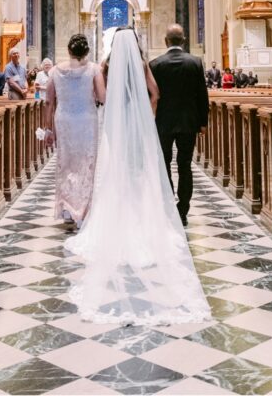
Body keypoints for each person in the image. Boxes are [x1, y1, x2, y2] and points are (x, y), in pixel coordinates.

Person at [66, 26, 210, 326]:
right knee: (141, 172)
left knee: (117, 173)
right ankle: (147, 222)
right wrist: (148, 115)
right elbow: (155, 93)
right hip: (139, 126)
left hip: (116, 128)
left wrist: (116, 113)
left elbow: (104, 98)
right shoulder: (145, 64)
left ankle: (118, 221)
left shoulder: (106, 65)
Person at [149, 24, 210, 227]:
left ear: (166, 41)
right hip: (188, 122)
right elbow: (202, 94)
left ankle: (168, 204)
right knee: (185, 166)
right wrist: (203, 122)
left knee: (164, 164)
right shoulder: (195, 62)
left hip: (163, 123)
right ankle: (183, 209)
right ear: (183, 41)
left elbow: (151, 96)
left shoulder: (155, 64)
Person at [45, 35, 105, 227]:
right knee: (86, 163)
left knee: (67, 163)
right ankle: (84, 209)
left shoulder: (54, 71)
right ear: (86, 52)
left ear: (69, 50)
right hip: (87, 119)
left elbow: (49, 102)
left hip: (64, 120)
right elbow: (103, 98)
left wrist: (48, 129)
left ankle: (68, 209)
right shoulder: (94, 69)